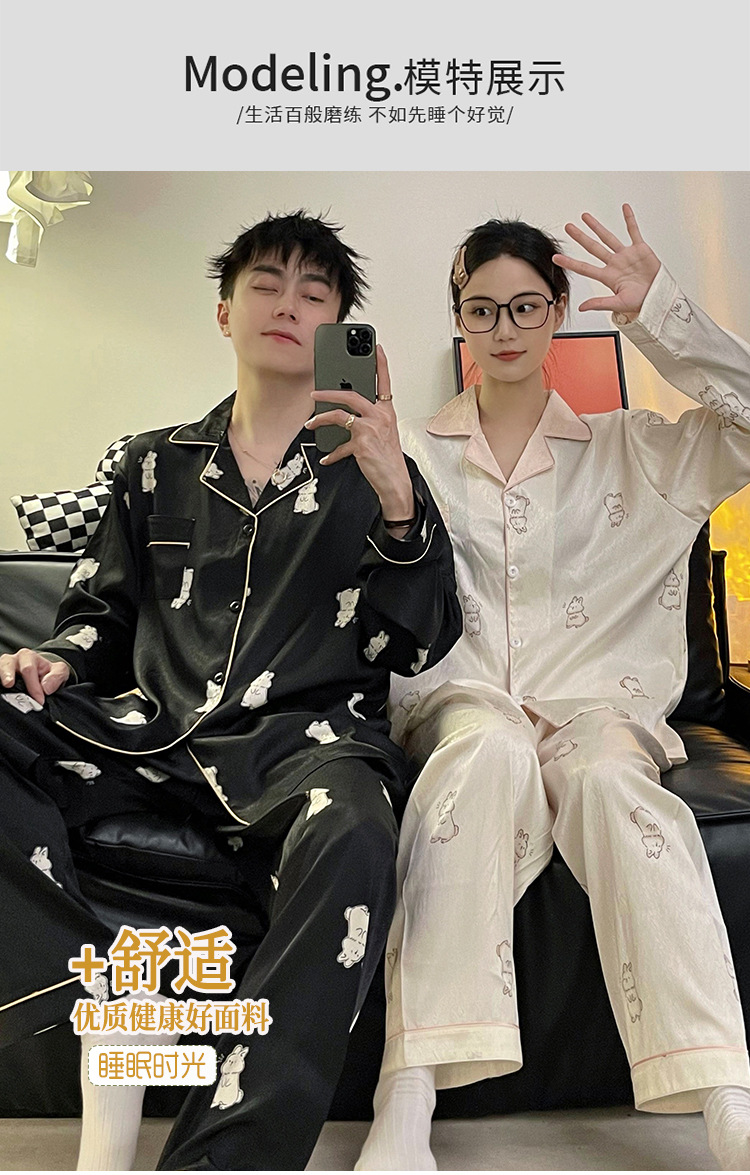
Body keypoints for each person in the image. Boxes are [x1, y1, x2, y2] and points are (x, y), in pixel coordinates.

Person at [0, 210, 462, 1171]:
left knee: (359, 829)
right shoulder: (152, 462)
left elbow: (415, 641)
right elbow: (100, 612)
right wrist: (58, 660)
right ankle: (110, 994)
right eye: (266, 283)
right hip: (153, 735)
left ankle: (228, 1157)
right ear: (225, 311)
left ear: (339, 327)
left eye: (314, 292)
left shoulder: (377, 470)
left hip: (307, 750)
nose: (288, 303)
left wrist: (397, 500)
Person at [356, 205, 750, 1172]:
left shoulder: (638, 450)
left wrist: (662, 312)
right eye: (482, 309)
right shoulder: (410, 454)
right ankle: (407, 1089)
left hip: (598, 713)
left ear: (560, 309)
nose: (504, 329)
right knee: (485, 752)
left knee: (618, 786)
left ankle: (726, 1092)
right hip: (462, 709)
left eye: (526, 306)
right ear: (459, 317)